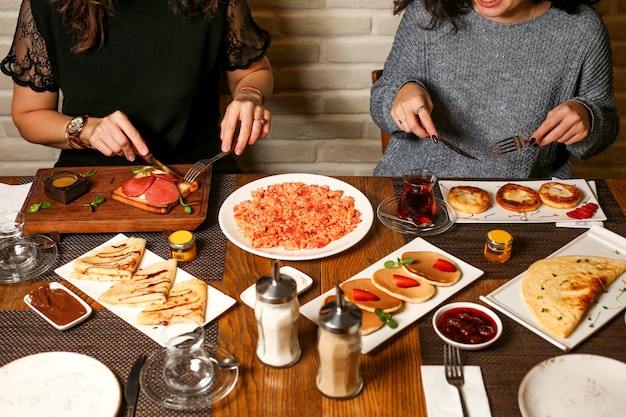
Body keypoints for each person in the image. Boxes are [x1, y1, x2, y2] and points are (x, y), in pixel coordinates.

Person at [1, 0, 273, 173]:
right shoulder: (48, 4)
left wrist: (250, 96)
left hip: (201, 170)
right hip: (92, 178)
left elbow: (254, 72)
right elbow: (28, 115)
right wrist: (87, 129)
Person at [371, 0, 619, 178]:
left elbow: (602, 130)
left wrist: (587, 116)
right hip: (416, 187)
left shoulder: (582, 29)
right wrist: (400, 93)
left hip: (523, 200)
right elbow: (381, 101)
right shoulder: (427, 12)